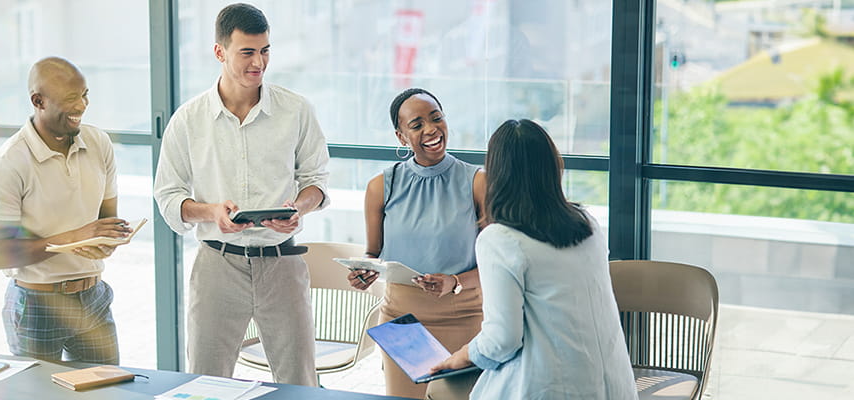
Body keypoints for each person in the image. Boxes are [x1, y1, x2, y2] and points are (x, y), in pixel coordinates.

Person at [153, 3, 330, 387]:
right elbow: (168, 195)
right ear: (219, 52)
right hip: (218, 265)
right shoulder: (188, 119)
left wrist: (297, 208)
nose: (259, 63)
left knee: (300, 382)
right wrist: (211, 212)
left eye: (265, 50)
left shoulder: (296, 110)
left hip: (282, 263)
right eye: (247, 52)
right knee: (205, 383)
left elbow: (316, 181)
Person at [430, 119, 637, 399]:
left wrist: (462, 355)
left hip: (550, 387)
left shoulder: (500, 240)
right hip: (614, 387)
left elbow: (502, 339)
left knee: (441, 389)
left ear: (497, 174)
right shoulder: (587, 224)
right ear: (553, 166)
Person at [0, 57, 133, 364]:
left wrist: (107, 239)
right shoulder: (9, 163)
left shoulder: (99, 142)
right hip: (37, 304)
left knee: (108, 393)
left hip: (94, 298)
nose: (82, 106)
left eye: (85, 94)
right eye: (70, 99)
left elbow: (105, 221)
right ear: (38, 101)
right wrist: (77, 237)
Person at [346, 88, 487, 398]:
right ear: (401, 137)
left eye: (436, 118)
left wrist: (455, 281)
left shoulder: (477, 182)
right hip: (402, 320)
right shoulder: (381, 185)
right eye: (417, 124)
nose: (431, 129)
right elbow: (373, 253)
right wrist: (366, 271)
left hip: (463, 317)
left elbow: (497, 265)